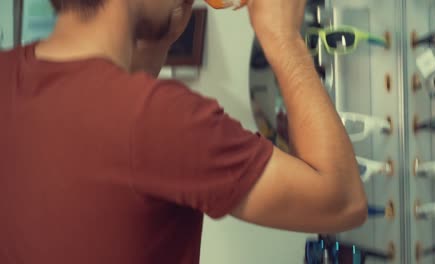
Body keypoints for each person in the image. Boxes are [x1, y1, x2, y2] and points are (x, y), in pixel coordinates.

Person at [0, 0, 367, 263]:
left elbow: (111, 110)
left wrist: (157, 35)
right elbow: (342, 200)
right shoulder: (160, 119)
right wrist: (283, 39)